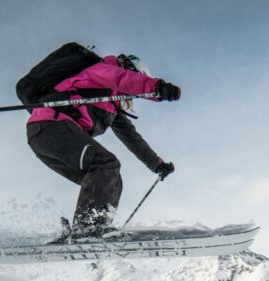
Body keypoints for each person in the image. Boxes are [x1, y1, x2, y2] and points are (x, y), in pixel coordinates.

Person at [26, 53, 181, 240]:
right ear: (130, 69)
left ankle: (96, 227)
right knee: (106, 164)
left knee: (111, 179)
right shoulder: (102, 70)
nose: (130, 96)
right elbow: (121, 78)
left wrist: (157, 164)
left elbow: (132, 138)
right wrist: (156, 88)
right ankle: (87, 227)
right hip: (50, 126)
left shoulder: (111, 106)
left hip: (47, 137)